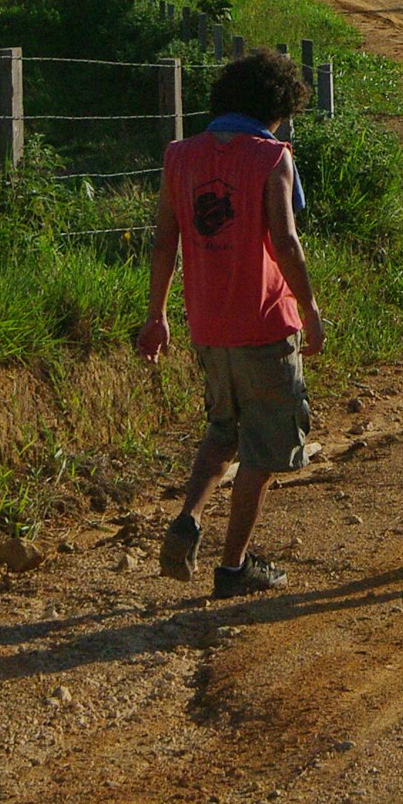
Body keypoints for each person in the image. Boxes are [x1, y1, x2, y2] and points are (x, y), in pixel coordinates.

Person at [140, 47, 326, 598]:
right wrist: (310, 308)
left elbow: (164, 241)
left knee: (223, 429)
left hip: (207, 325)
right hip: (264, 324)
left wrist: (156, 317)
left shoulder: (179, 156)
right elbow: (286, 240)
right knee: (265, 450)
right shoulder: (272, 156)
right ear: (279, 106)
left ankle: (190, 514)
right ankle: (232, 567)